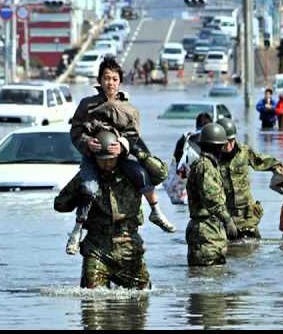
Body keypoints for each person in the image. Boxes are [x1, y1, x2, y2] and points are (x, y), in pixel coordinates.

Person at [68, 57, 175, 255]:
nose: (110, 82)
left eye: (114, 79)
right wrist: (87, 143)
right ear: (100, 80)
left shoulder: (129, 109)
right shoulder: (86, 105)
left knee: (142, 175)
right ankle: (76, 230)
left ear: (119, 82)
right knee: (89, 188)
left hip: (121, 156)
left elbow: (134, 133)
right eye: (106, 78)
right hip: (94, 156)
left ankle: (156, 211)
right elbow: (75, 131)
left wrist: (123, 145)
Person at [54, 130, 152, 290]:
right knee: (92, 305)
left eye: (110, 160)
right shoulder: (87, 179)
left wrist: (134, 148)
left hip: (129, 248)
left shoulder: (133, 175)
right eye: (102, 160)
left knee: (140, 303)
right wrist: (80, 193)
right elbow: (59, 204)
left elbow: (161, 173)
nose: (106, 164)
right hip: (97, 249)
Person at [216, 118, 283, 239]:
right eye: (226, 141)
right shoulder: (214, 159)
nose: (229, 145)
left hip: (247, 215)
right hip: (225, 214)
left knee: (252, 248)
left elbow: (260, 161)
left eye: (232, 140)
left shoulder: (243, 152)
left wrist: (279, 167)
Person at [185, 123, 238, 266]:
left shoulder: (206, 165)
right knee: (208, 280)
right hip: (205, 232)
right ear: (218, 147)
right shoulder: (205, 166)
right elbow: (211, 197)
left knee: (213, 279)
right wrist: (227, 219)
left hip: (209, 231)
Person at [163, 112, 212, 205]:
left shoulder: (185, 137)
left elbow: (175, 160)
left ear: (196, 124)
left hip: (183, 186)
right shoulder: (212, 139)